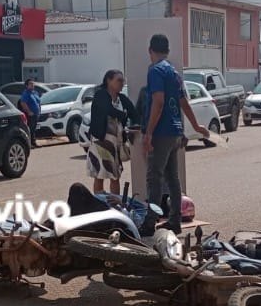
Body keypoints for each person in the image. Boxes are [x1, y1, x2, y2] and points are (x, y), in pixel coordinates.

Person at [142, 34, 208, 233]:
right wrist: (196, 126)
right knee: (172, 177)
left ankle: (150, 221)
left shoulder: (155, 71)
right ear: (168, 51)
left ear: (150, 51)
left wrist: (149, 133)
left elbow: (159, 102)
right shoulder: (173, 72)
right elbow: (183, 102)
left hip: (161, 131)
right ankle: (175, 220)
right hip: (176, 130)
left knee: (154, 177)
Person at [86, 70, 136, 195]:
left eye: (123, 81)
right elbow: (109, 110)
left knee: (115, 175)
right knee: (100, 174)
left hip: (116, 143)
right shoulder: (100, 95)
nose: (122, 83)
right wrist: (123, 114)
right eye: (119, 80)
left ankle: (115, 203)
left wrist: (136, 126)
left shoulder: (122, 98)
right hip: (101, 141)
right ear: (109, 80)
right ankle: (100, 203)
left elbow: (134, 113)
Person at [18, 79, 42, 148]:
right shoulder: (26, 93)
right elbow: (23, 103)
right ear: (26, 85)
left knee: (34, 129)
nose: (32, 85)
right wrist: (29, 112)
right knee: (30, 129)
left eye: (33, 84)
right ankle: (29, 144)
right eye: (30, 84)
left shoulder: (35, 93)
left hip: (36, 114)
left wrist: (39, 110)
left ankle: (34, 142)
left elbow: (38, 102)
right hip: (30, 115)